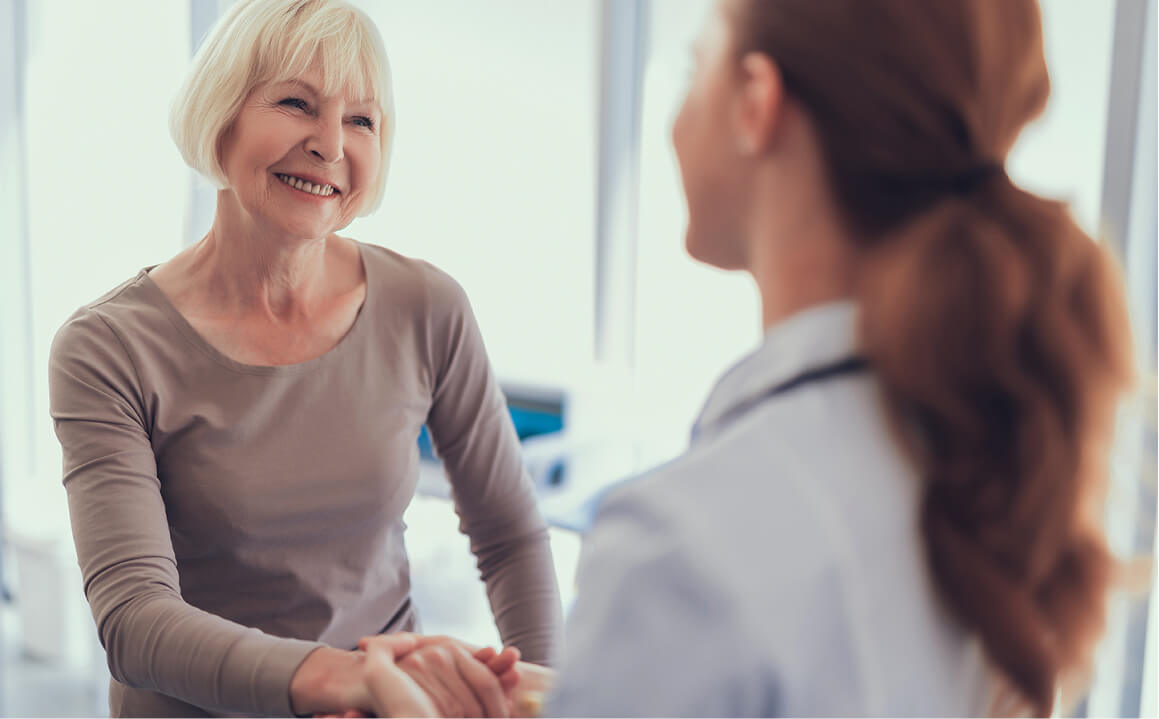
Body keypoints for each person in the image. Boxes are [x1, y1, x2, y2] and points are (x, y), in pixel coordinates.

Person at [361, 0, 1136, 715]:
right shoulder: (980, 466)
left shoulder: (684, 546)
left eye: (697, 62)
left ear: (756, 104)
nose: (675, 112)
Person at [47, 0, 561, 716]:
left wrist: (544, 695)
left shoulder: (426, 305)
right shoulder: (108, 348)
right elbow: (135, 619)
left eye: (361, 120)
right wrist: (343, 677)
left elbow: (509, 534)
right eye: (296, 103)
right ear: (220, 115)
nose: (330, 144)